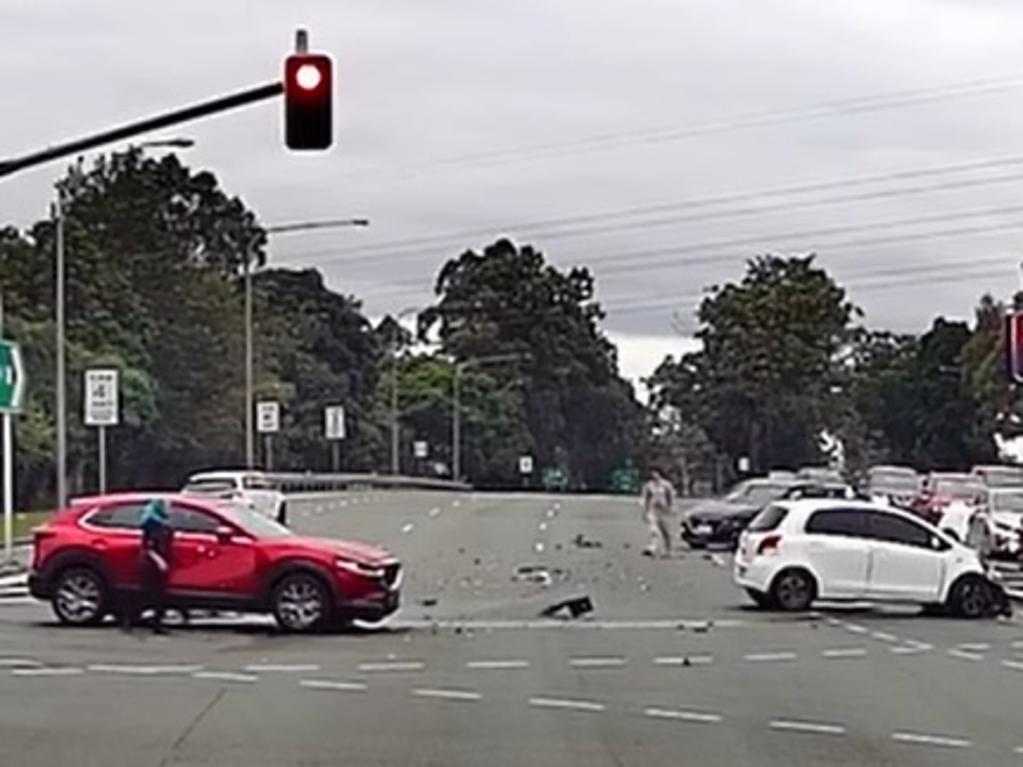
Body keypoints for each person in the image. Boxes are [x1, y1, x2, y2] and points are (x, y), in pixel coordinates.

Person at [138, 498, 173, 634]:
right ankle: (155, 624)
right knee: (156, 594)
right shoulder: (153, 525)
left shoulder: (161, 523)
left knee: (157, 594)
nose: (170, 510)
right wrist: (160, 561)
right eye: (168, 507)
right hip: (152, 565)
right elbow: (149, 547)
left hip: (159, 563)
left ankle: (155, 620)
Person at [641, 467, 675, 557]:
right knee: (653, 529)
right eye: (652, 473)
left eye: (655, 473)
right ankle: (652, 547)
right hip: (653, 509)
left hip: (663, 510)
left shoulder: (666, 485)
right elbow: (646, 498)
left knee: (665, 531)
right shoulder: (649, 485)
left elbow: (670, 497)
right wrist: (645, 511)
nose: (654, 475)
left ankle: (668, 549)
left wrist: (671, 507)